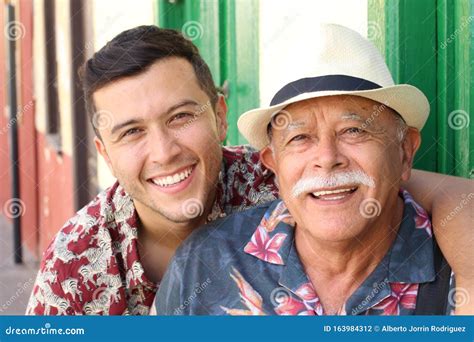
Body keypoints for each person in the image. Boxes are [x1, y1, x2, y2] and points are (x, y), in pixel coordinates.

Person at [27, 25, 472, 315]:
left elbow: (370, 178)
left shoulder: (272, 177)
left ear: (220, 116)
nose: (163, 152)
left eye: (181, 116)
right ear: (105, 154)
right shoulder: (76, 262)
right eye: (131, 132)